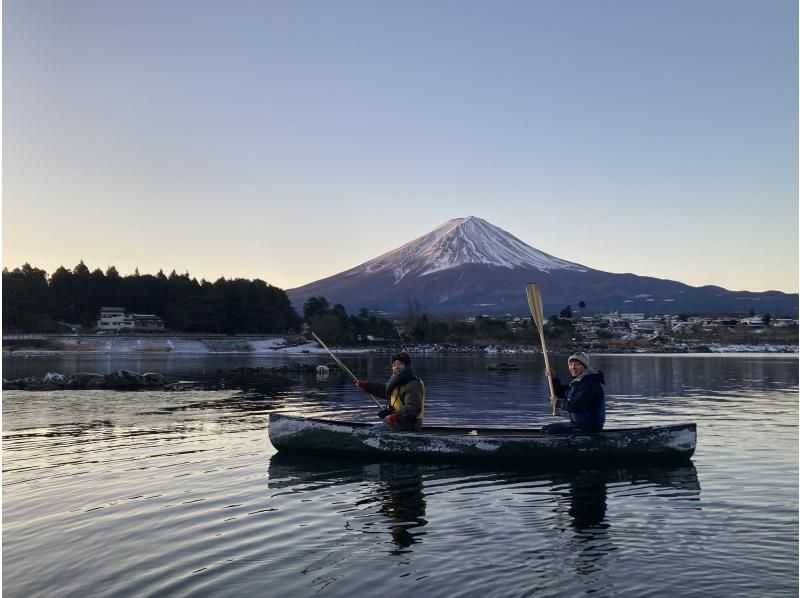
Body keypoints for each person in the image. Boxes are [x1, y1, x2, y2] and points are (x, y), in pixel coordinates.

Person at [356, 352, 425, 431]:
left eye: (399, 364)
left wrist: (396, 416)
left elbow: (413, 408)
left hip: (408, 425)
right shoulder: (398, 382)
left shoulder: (412, 384)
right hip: (398, 423)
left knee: (366, 432)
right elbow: (384, 390)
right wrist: (367, 386)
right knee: (366, 429)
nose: (396, 367)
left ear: (407, 366)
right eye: (394, 365)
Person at [543, 352, 605, 434]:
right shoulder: (577, 382)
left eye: (577, 364)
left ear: (585, 366)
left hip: (589, 427)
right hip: (577, 425)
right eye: (571, 364)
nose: (573, 367)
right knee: (545, 429)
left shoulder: (589, 384)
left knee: (550, 432)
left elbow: (576, 406)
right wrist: (553, 379)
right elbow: (561, 393)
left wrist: (558, 403)